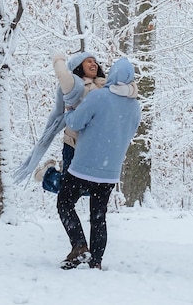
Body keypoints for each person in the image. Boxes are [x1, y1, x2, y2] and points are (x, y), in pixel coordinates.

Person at [57, 58, 141, 270]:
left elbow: (75, 122)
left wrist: (69, 111)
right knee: (98, 216)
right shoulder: (135, 107)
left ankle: (78, 245)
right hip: (109, 172)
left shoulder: (99, 96)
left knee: (65, 203)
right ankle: (96, 262)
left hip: (84, 166)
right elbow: (129, 133)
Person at [12, 51, 106, 185]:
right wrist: (58, 58)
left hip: (97, 144)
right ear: (80, 66)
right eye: (89, 61)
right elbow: (62, 74)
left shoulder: (104, 84)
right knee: (70, 188)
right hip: (75, 144)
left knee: (96, 186)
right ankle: (46, 174)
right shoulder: (76, 85)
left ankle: (60, 172)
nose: (94, 64)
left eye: (95, 61)